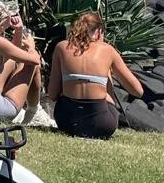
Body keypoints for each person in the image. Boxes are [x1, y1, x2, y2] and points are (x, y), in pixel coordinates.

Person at [47, 11, 142, 139]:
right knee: (105, 72)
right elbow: (138, 91)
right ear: (99, 32)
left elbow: (52, 94)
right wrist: (106, 73)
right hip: (102, 124)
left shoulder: (62, 47)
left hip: (67, 121)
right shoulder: (107, 50)